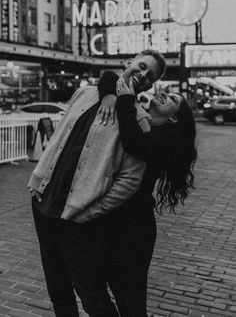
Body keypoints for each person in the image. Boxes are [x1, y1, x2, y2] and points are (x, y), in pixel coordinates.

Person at [28, 49, 166, 317]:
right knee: (57, 288)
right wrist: (37, 180)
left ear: (150, 86)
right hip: (44, 203)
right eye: (141, 66)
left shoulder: (138, 119)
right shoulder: (85, 93)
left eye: (150, 76)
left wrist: (90, 211)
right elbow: (59, 136)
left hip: (79, 216)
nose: (143, 75)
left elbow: (130, 180)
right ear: (128, 63)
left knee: (92, 295)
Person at [98, 75, 197, 317]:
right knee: (109, 290)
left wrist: (124, 100)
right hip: (118, 221)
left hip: (134, 229)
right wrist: (112, 94)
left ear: (174, 117)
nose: (165, 94)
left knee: (130, 299)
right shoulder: (145, 120)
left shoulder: (168, 138)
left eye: (173, 98)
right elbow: (109, 76)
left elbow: (134, 143)